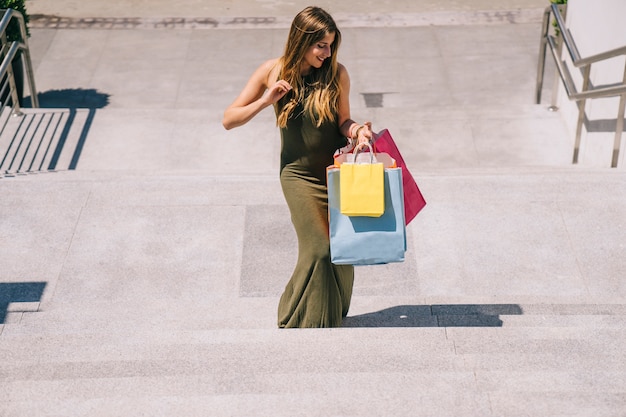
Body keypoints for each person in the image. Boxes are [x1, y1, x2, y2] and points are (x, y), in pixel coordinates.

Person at [222, 6, 373, 328]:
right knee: (319, 248)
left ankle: (331, 313)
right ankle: (294, 315)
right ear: (301, 40)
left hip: (334, 175)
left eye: (331, 44)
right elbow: (228, 120)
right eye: (321, 45)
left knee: (343, 249)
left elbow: (343, 121)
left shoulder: (337, 73)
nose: (327, 52)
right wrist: (266, 100)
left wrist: (358, 131)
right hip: (298, 175)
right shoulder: (271, 70)